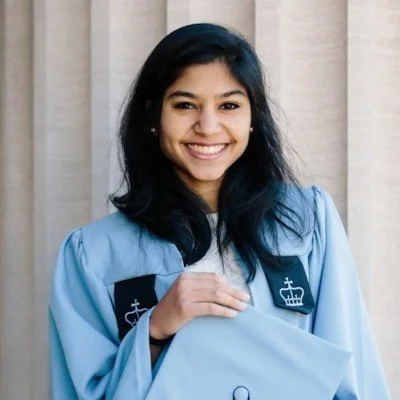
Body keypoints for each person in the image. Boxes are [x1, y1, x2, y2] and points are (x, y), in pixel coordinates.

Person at [49, 23, 391, 399]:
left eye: (229, 105)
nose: (208, 127)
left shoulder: (306, 221)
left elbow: (352, 373)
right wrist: (154, 331)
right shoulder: (95, 255)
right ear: (152, 115)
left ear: (253, 116)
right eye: (185, 105)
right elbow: (84, 392)